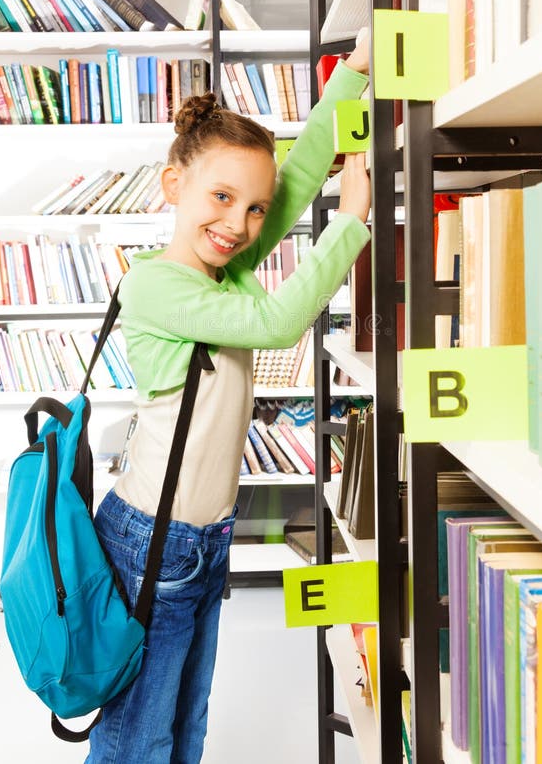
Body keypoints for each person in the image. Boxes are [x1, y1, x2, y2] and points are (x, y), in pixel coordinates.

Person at [85, 40, 371, 764]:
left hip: (200, 538)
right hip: (153, 540)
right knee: (136, 737)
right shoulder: (160, 285)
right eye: (222, 198)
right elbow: (278, 323)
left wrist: (358, 73)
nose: (240, 224)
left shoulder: (226, 268)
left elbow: (301, 174)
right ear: (172, 184)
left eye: (253, 210)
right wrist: (353, 224)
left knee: (186, 725)